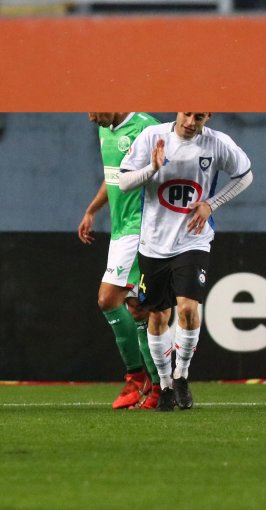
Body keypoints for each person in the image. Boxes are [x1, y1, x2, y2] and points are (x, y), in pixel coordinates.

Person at [119, 112, 254, 412]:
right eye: (188, 113)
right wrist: (152, 168)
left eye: (200, 116)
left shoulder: (217, 144)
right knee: (157, 317)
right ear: (178, 110)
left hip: (193, 240)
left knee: (188, 308)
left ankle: (182, 374)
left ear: (209, 116)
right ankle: (164, 384)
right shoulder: (152, 137)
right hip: (153, 244)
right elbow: (125, 182)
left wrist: (211, 204)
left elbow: (246, 175)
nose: (192, 121)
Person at [80, 112, 161, 409]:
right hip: (120, 230)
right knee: (137, 310)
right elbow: (113, 176)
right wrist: (92, 209)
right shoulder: (106, 132)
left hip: (140, 229)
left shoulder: (146, 127)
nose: (91, 118)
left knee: (108, 299)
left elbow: (169, 169)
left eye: (94, 109)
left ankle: (137, 377)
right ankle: (156, 387)